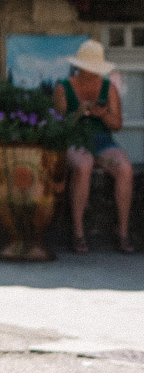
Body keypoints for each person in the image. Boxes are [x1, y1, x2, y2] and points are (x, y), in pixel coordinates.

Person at [52, 40, 135, 255]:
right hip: (75, 140)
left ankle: (122, 231)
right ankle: (78, 232)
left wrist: (103, 114)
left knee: (124, 167)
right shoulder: (63, 88)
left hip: (102, 142)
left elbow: (117, 125)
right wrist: (78, 113)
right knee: (83, 164)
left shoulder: (109, 88)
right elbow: (56, 126)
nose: (92, 74)